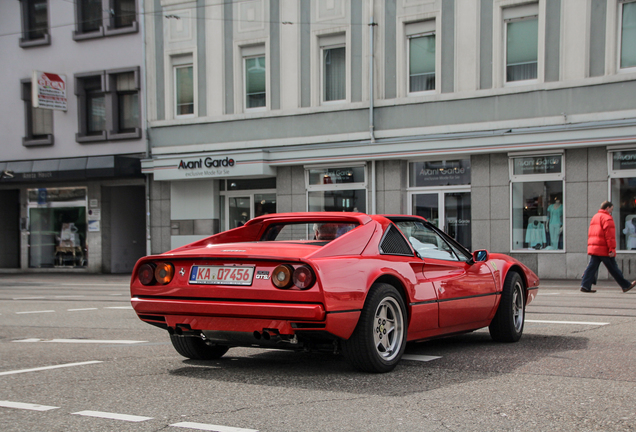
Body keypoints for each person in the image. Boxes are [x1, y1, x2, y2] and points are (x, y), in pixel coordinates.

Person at [581, 201, 636, 293]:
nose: (611, 211)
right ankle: (625, 285)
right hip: (604, 248)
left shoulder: (595, 217)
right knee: (613, 268)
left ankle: (585, 285)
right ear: (607, 208)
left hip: (595, 247)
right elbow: (609, 236)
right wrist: (611, 249)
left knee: (592, 267)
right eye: (611, 209)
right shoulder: (607, 218)